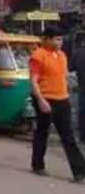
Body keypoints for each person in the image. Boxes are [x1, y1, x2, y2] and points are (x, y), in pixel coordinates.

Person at [30, 28, 85, 183]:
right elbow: (33, 81)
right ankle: (38, 164)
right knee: (42, 133)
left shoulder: (62, 56)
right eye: (56, 39)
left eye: (60, 39)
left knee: (68, 136)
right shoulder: (38, 56)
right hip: (45, 99)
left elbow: (64, 75)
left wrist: (68, 87)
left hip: (62, 99)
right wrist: (41, 100)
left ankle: (79, 171)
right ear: (46, 40)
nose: (59, 43)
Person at [71, 43, 85, 143]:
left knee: (82, 111)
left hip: (82, 86)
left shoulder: (78, 52)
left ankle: (83, 137)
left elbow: (71, 68)